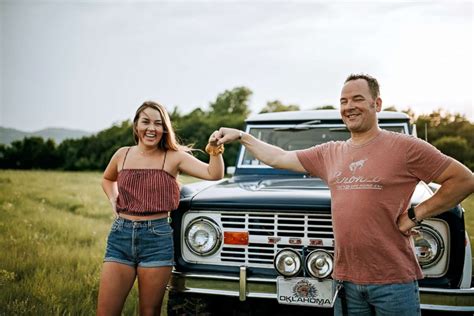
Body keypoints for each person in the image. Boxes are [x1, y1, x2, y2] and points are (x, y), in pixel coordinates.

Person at [213, 74, 474, 316]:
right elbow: (279, 157)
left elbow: (463, 180)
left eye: (358, 99)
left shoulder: (405, 148)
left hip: (393, 282)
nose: (350, 106)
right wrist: (242, 137)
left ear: (377, 103)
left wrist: (415, 215)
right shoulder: (330, 153)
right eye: (344, 101)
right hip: (345, 280)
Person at [97, 101, 224, 316]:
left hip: (157, 238)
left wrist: (214, 148)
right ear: (136, 125)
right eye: (145, 122)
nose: (152, 128)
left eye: (158, 123)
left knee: (149, 311)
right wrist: (113, 198)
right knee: (106, 312)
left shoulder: (173, 157)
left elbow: (214, 174)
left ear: (164, 128)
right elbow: (108, 179)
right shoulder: (122, 154)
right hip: (120, 236)